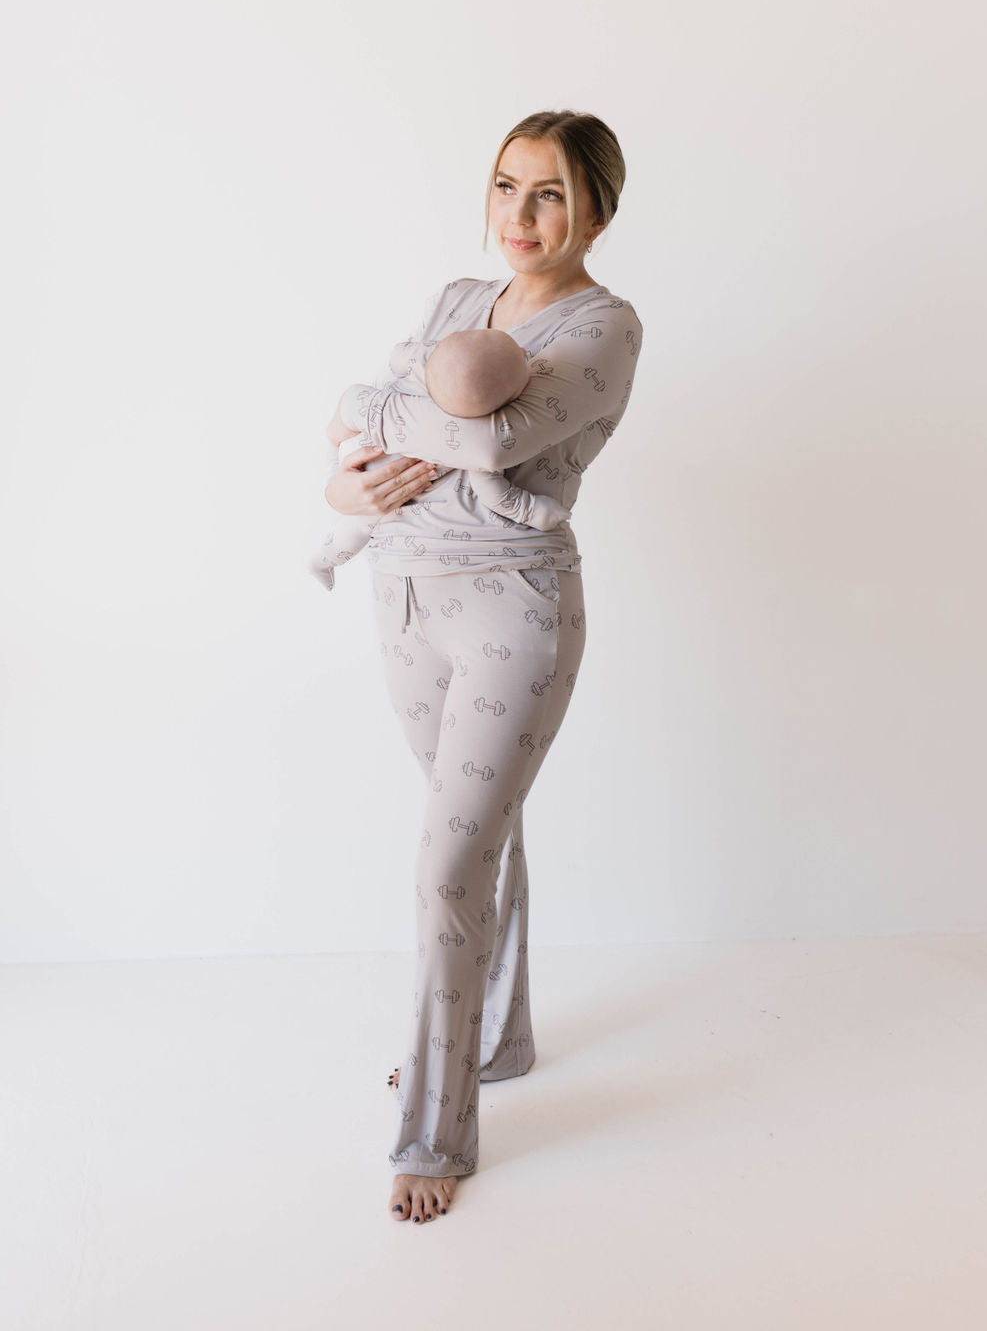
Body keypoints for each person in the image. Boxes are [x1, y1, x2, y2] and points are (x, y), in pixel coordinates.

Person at [320, 110, 644, 1226]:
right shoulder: (459, 300)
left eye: (550, 192)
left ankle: (435, 1132)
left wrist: (360, 405)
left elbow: (488, 439)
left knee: (448, 864)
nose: (521, 213)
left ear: (597, 209)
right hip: (403, 589)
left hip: (514, 604)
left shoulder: (605, 324)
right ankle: (494, 1037)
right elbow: (362, 444)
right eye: (507, 185)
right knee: (474, 836)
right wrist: (342, 482)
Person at [308, 328, 570, 591]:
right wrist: (534, 512)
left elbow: (398, 355)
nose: (524, 351)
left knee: (350, 412)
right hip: (378, 477)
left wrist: (339, 435)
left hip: (357, 441)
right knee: (359, 526)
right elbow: (496, 495)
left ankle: (322, 558)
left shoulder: (421, 364)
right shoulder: (473, 441)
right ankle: (323, 559)